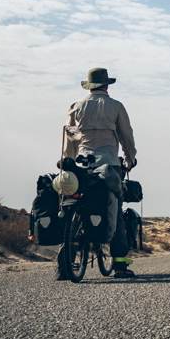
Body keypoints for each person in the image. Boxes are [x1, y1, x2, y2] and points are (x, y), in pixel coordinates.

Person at [58, 67, 138, 279]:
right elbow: (126, 136)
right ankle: (120, 266)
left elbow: (70, 138)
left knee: (72, 206)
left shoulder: (75, 107)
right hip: (109, 165)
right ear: (106, 85)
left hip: (81, 166)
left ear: (89, 85)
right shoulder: (115, 106)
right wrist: (129, 159)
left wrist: (70, 161)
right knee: (116, 209)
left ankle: (64, 262)